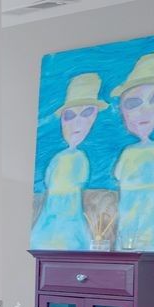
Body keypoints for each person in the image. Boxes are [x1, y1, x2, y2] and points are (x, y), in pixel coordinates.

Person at [110, 51, 154, 251]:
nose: (144, 112)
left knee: (145, 238)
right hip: (130, 206)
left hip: (148, 207)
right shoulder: (131, 151)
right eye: (134, 103)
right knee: (127, 237)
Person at [30, 73, 104, 250]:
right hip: (53, 219)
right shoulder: (63, 158)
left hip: (68, 219)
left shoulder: (78, 158)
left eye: (86, 114)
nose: (77, 123)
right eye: (70, 116)